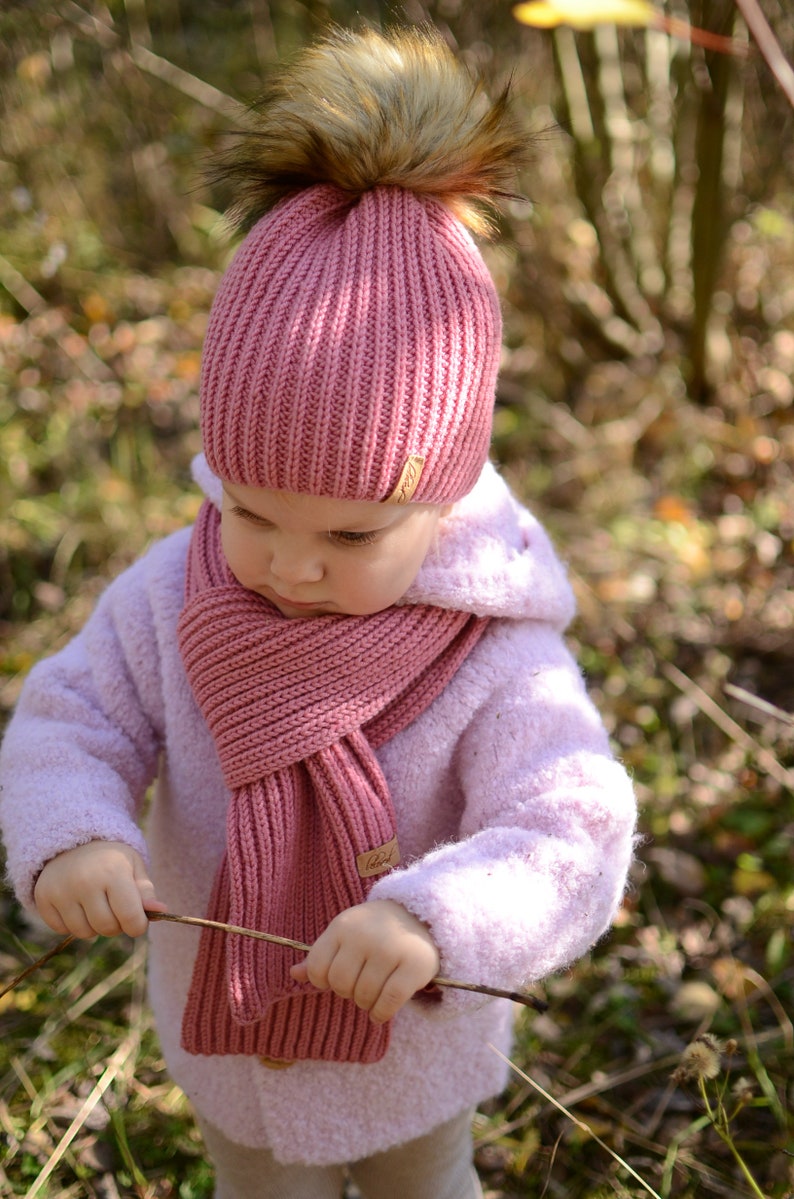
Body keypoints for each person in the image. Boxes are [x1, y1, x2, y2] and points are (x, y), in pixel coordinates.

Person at [0, 25, 637, 1199]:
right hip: (228, 1049)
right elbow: (68, 717)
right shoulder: (170, 594)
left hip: (414, 1050)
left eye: (350, 534)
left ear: (440, 500)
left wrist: (436, 917)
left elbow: (572, 825)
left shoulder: (493, 647)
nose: (289, 565)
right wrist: (73, 829)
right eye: (249, 509)